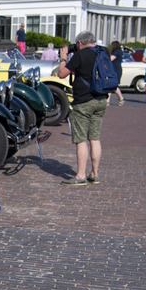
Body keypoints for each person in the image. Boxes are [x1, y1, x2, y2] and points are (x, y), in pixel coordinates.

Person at [57, 30, 108, 186]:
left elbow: (61, 74)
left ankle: (80, 175)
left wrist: (63, 57)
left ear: (79, 43)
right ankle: (95, 173)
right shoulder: (102, 52)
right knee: (94, 137)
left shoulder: (81, 54)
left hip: (84, 101)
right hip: (100, 99)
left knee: (81, 140)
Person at [108, 41, 125, 106]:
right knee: (109, 85)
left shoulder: (117, 52)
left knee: (114, 85)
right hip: (113, 70)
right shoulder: (117, 52)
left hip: (116, 70)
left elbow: (111, 59)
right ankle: (107, 101)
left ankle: (121, 98)